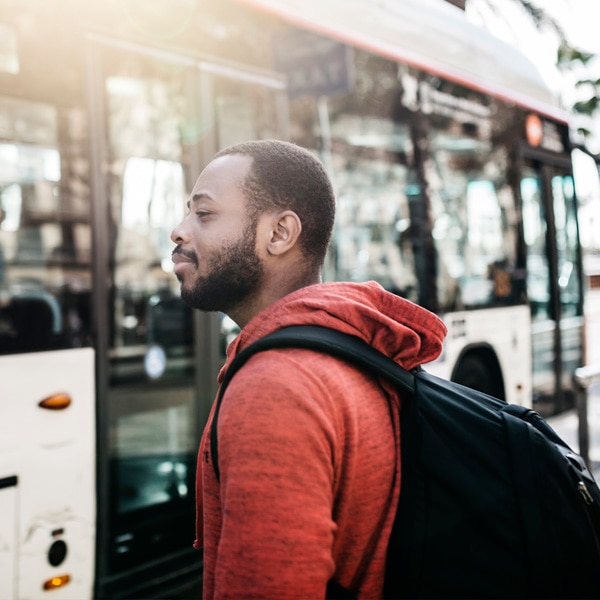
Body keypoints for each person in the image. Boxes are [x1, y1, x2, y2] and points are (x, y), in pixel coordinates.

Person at [170, 139, 447, 599]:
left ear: (279, 234)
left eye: (204, 214)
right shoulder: (354, 349)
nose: (179, 231)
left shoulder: (274, 389)